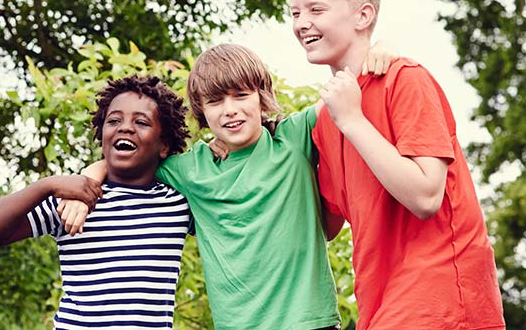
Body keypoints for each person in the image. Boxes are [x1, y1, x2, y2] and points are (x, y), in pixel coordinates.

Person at [65, 43, 394, 330]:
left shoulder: (294, 138)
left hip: (309, 322)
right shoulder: (192, 168)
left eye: (241, 96)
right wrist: (88, 182)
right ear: (202, 112)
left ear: (262, 99)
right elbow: (126, 160)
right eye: (216, 101)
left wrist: (380, 49)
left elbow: (355, 81)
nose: (230, 110)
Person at [287, 0, 505, 330]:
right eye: (294, 13)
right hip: (380, 307)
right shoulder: (326, 118)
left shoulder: (405, 80)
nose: (302, 23)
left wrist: (353, 120)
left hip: (443, 306)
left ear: (363, 16)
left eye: (316, 10)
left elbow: (425, 196)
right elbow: (324, 225)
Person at [0, 75, 192, 330]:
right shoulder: (72, 201)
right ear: (102, 135)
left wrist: (222, 146)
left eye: (141, 122)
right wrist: (48, 185)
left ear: (164, 145)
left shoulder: (177, 205)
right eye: (114, 121)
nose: (125, 128)